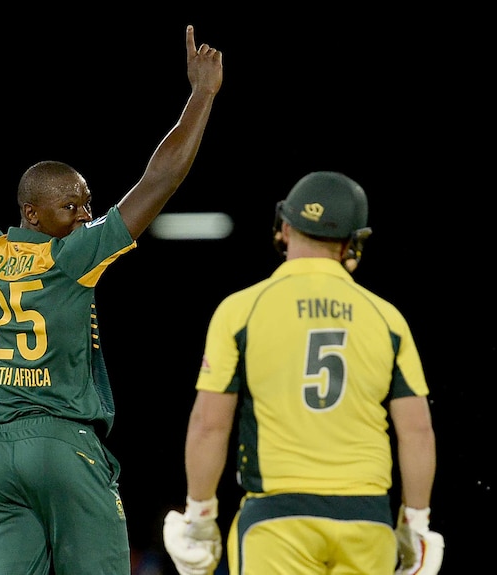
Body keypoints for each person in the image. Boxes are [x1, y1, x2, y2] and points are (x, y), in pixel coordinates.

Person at [0, 12, 223, 575]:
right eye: (72, 206)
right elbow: (159, 180)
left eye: (87, 202)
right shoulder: (72, 257)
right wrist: (201, 96)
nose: (85, 215)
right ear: (32, 214)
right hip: (63, 443)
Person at [162, 171, 444, 575]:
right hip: (367, 519)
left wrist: (199, 516)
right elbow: (417, 431)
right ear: (352, 241)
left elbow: (209, 424)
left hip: (278, 517)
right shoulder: (387, 319)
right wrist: (415, 523)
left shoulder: (241, 310)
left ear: (285, 226)